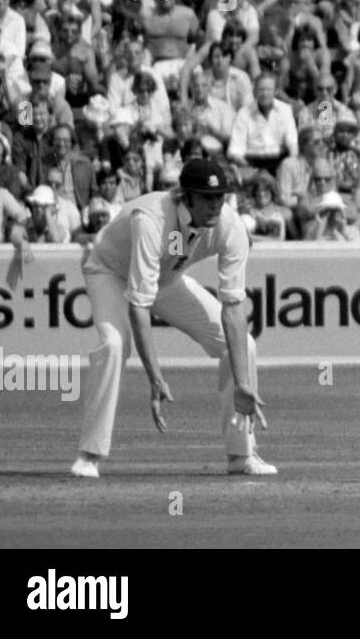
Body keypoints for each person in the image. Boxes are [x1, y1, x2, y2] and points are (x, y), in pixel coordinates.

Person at [69, 157, 275, 479]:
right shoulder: (151, 219)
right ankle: (89, 455)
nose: (215, 205)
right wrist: (155, 377)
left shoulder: (230, 226)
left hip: (164, 280)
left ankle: (241, 455)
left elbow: (233, 306)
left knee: (243, 346)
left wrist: (243, 384)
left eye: (220, 197)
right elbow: (139, 305)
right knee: (113, 344)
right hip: (110, 273)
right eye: (207, 198)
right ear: (185, 196)